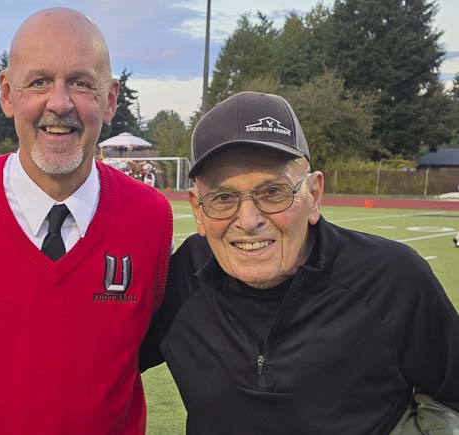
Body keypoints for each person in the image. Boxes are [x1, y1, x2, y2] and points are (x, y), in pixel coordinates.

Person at [0, 7, 173, 434]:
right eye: (39, 82)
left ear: (110, 99)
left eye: (80, 83)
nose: (59, 103)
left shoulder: (150, 218)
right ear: (6, 93)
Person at [139, 91, 459, 434]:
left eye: (273, 192)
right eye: (223, 197)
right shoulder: (182, 279)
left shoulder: (392, 279)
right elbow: (98, 364)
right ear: (198, 210)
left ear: (314, 196)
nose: (248, 220)